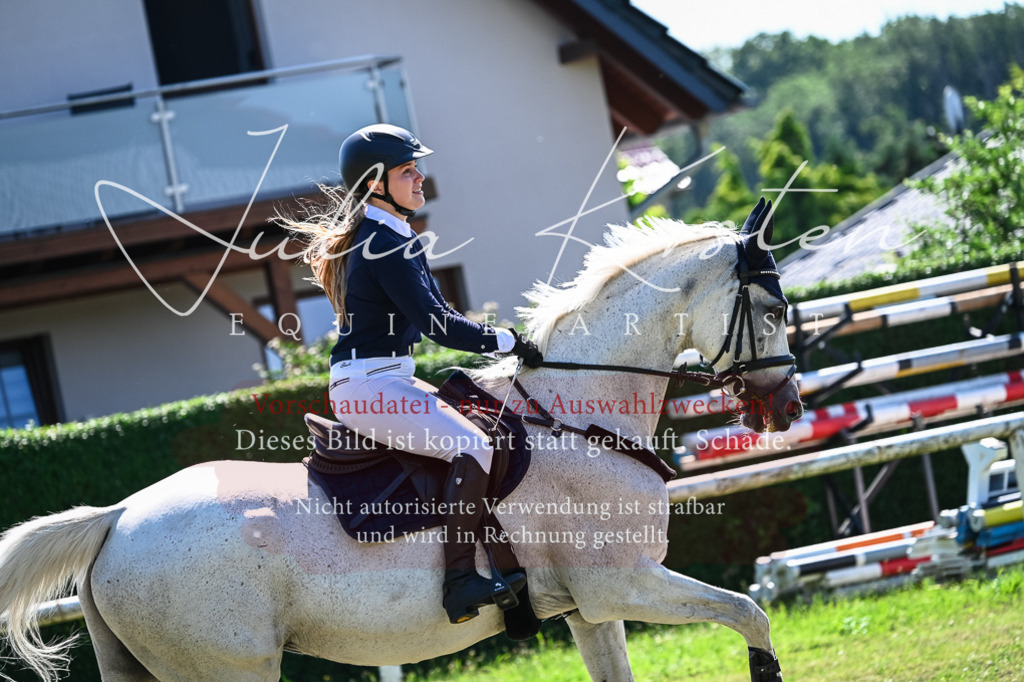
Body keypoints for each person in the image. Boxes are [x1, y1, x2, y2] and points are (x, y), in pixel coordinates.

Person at [281, 123, 543, 624]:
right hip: (371, 388)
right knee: (473, 447)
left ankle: (507, 570)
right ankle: (461, 581)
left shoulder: (392, 237)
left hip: (387, 379)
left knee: (488, 428)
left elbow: (441, 316)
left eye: (416, 167)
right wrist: (509, 341)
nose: (420, 176)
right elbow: (440, 325)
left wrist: (500, 338)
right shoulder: (385, 244)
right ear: (376, 184)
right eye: (408, 170)